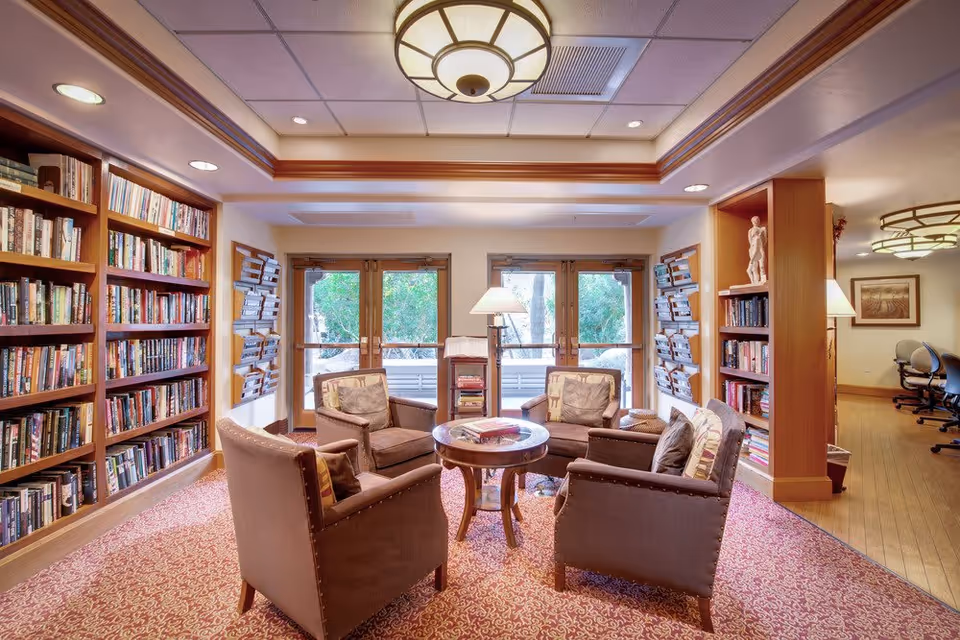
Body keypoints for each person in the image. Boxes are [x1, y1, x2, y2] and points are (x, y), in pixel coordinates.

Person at [747, 216, 768, 285]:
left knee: (762, 266)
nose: (756, 222)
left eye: (757, 220)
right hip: (753, 249)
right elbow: (750, 241)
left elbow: (765, 240)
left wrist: (760, 246)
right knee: (754, 267)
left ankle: (763, 281)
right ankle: (756, 282)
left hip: (760, 249)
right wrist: (752, 248)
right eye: (754, 221)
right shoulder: (750, 231)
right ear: (752, 222)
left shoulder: (763, 229)